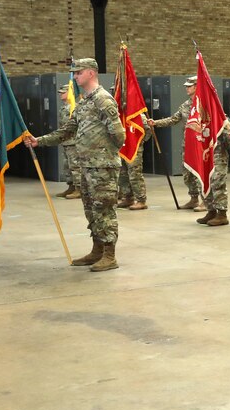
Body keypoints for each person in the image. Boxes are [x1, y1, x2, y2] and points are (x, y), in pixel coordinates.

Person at [25, 58, 126, 272]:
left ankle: (110, 255)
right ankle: (97, 250)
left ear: (90, 73)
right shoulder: (83, 103)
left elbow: (119, 135)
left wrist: (103, 154)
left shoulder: (103, 100)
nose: (75, 76)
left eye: (78, 72)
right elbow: (67, 131)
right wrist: (39, 140)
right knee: (91, 210)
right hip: (86, 167)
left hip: (102, 168)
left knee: (104, 211)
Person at [146, 77, 203, 212]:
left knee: (202, 173)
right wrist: (156, 123)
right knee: (188, 173)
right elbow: (174, 119)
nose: (186, 88)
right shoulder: (185, 105)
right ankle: (194, 199)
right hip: (188, 144)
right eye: (186, 86)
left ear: (197, 86)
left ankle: (206, 201)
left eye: (189, 86)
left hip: (201, 145)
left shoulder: (205, 104)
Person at [55, 85, 81, 199]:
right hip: (66, 141)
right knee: (67, 166)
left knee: (75, 166)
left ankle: (79, 189)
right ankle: (71, 186)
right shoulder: (64, 107)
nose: (61, 94)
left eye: (63, 92)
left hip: (73, 142)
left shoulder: (74, 107)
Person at [116, 130, 149, 211]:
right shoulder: (119, 117)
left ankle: (141, 200)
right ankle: (128, 198)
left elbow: (147, 129)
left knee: (135, 175)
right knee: (122, 175)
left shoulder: (139, 116)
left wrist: (140, 142)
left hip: (134, 149)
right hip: (122, 148)